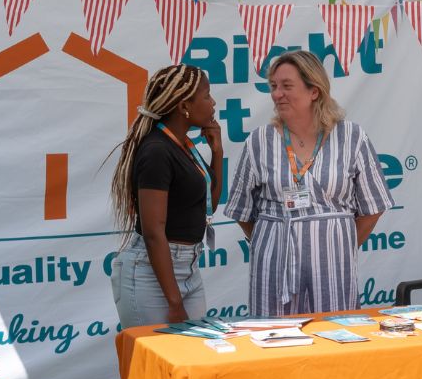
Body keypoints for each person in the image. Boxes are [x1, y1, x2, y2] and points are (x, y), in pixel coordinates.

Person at [225, 50, 393, 316]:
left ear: (314, 91)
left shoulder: (351, 137)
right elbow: (242, 210)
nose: (276, 94)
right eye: (274, 86)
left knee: (334, 336)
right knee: (275, 340)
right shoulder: (259, 141)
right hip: (274, 264)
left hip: (334, 263)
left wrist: (338, 240)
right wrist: (271, 239)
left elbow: (374, 205)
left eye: (286, 86)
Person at [106, 65, 223, 328]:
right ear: (184, 106)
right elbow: (153, 232)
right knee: (155, 364)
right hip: (150, 273)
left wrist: (218, 152)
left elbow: (208, 208)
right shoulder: (157, 150)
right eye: (206, 95)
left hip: (188, 269)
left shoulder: (184, 146)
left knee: (192, 359)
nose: (213, 102)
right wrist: (174, 302)